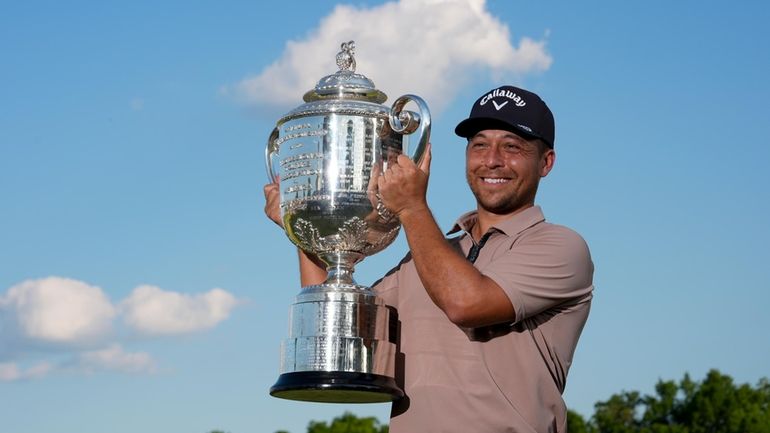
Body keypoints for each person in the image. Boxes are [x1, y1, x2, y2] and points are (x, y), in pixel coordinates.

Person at [264, 85, 594, 433]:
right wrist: (301, 223)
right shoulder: (427, 256)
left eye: (512, 147)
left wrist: (411, 206)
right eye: (479, 145)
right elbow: (334, 322)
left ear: (546, 162)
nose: (492, 159)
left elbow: (466, 303)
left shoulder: (561, 247)